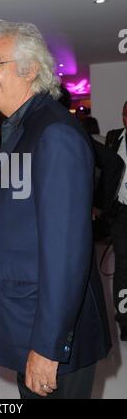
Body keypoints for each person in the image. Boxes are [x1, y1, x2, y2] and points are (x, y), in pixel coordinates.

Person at [0, 20, 111, 399]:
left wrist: (49, 346)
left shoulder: (53, 133)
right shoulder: (20, 128)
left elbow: (66, 251)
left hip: (50, 334)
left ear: (30, 69)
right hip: (27, 320)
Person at [105, 101, 127, 341]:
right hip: (122, 213)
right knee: (123, 268)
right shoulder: (113, 138)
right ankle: (124, 320)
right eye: (124, 114)